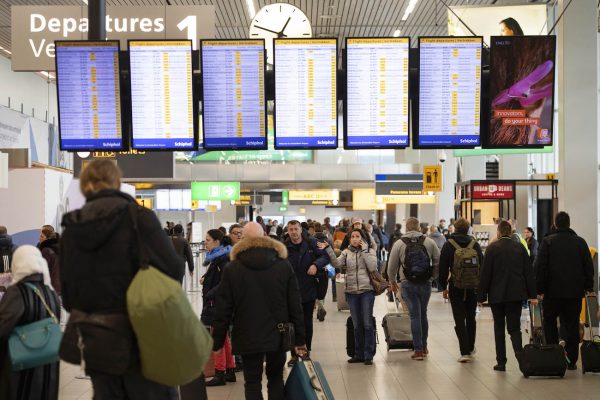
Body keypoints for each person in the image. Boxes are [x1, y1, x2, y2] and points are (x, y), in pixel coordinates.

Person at [60, 159, 183, 399]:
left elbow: (67, 293)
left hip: (96, 340)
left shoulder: (72, 229)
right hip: (143, 336)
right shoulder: (139, 218)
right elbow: (174, 269)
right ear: (117, 182)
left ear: (84, 186)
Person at [211, 222, 306, 400]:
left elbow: (223, 307)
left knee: (252, 381)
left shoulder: (233, 268)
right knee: (276, 378)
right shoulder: (282, 265)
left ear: (243, 239)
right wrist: (300, 338)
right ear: (264, 237)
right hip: (277, 333)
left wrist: (217, 341)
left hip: (247, 334)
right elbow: (295, 303)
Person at [534, 211, 594, 370]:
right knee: (572, 325)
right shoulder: (580, 242)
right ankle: (572, 360)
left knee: (550, 323)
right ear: (569, 223)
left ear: (555, 224)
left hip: (552, 293)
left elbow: (540, 268)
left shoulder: (547, 242)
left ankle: (554, 357)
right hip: (574, 293)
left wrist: (539, 289)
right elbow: (588, 267)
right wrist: (589, 287)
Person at [0, 245, 61, 400]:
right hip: (48, 365)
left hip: (21, 366)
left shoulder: (18, 292)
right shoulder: (50, 292)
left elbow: (3, 326)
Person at [478, 221, 537, 372]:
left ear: (498, 232)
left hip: (496, 295)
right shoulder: (520, 248)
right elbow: (528, 273)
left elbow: (485, 274)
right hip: (516, 295)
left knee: (499, 328)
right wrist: (532, 294)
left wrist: (481, 295)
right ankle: (521, 360)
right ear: (510, 232)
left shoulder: (492, 249)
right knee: (514, 329)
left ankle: (501, 362)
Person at [320, 229, 378, 365]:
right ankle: (358, 354)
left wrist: (364, 251)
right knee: (357, 325)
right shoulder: (346, 252)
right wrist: (329, 249)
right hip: (351, 292)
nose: (355, 239)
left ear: (363, 239)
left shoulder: (370, 251)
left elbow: (373, 267)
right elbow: (336, 264)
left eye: (358, 236)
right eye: (352, 237)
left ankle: (368, 354)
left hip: (366, 291)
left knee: (367, 324)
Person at [387, 217, 440, 361]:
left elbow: (391, 266)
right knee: (423, 314)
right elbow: (437, 261)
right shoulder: (429, 242)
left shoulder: (399, 243)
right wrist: (432, 277)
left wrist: (392, 281)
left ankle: (417, 351)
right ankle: (424, 346)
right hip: (425, 283)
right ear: (418, 227)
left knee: (414, 315)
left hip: (407, 283)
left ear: (407, 227)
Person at [284, 220, 329, 366]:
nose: (294, 232)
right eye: (291, 229)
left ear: (300, 229)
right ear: (288, 231)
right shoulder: (283, 246)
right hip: (289, 292)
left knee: (306, 322)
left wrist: (316, 265)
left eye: (296, 229)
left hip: (308, 289)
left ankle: (305, 351)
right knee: (291, 325)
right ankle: (293, 354)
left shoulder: (311, 243)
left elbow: (325, 256)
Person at [438, 219, 483, 363]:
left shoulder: (448, 245)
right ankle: (470, 347)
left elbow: (443, 268)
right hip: (473, 287)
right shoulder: (475, 244)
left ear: (455, 229)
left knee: (459, 318)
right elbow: (482, 266)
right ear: (468, 229)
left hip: (455, 286)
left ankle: (464, 352)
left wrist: (443, 287)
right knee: (471, 317)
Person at [200, 229, 235, 386]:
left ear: (217, 242)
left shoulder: (222, 260)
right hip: (217, 303)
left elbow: (224, 283)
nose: (205, 242)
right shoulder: (217, 258)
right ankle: (229, 370)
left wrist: (210, 294)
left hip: (217, 304)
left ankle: (219, 372)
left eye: (207, 240)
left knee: (217, 337)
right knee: (224, 338)